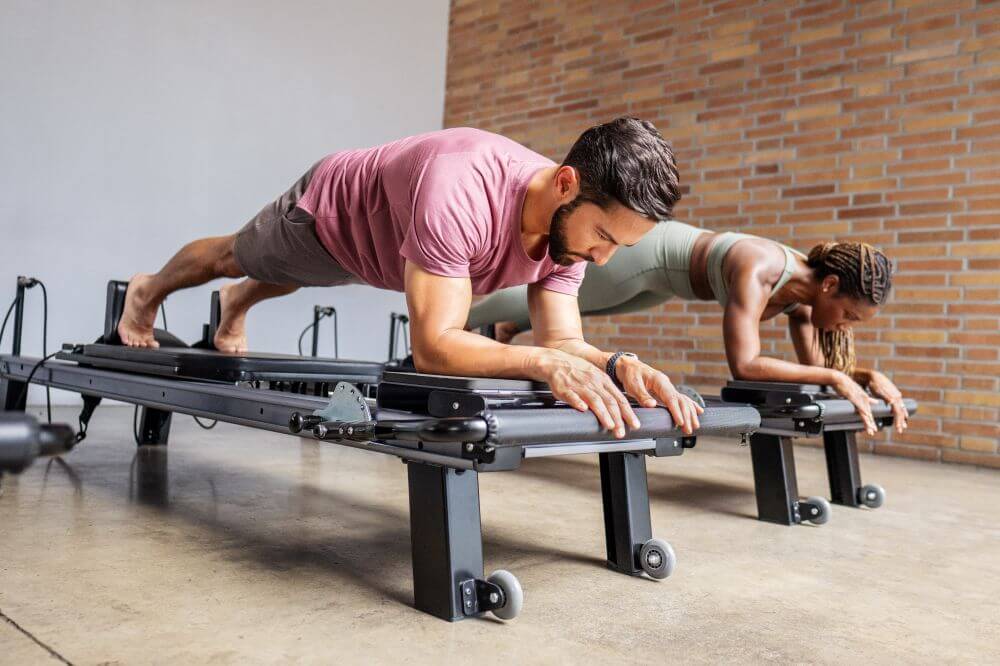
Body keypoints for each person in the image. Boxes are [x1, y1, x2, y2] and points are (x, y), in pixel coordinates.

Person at [115, 117, 704, 438]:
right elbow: (433, 347)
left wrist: (617, 364)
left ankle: (236, 305)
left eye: (619, 247)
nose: (603, 259)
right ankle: (150, 290)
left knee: (311, 278)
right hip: (332, 216)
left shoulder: (568, 237)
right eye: (603, 237)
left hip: (381, 256)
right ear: (567, 184)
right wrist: (542, 364)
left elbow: (562, 341)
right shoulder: (462, 188)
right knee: (241, 255)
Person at [467, 220, 909, 435]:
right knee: (562, 304)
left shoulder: (809, 298)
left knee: (583, 315)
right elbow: (747, 366)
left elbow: (813, 371)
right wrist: (835, 376)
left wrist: (864, 378)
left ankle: (500, 327)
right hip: (652, 257)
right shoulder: (763, 268)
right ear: (830, 285)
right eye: (850, 316)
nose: (846, 327)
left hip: (670, 284)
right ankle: (462, 321)